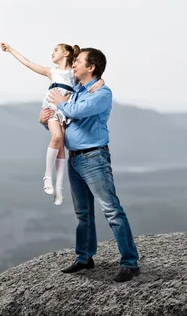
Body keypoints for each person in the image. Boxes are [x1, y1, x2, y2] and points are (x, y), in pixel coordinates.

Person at [40, 47, 140, 282]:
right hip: (75, 157)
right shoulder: (76, 92)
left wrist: (62, 102)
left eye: (78, 62)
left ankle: (130, 262)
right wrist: (46, 121)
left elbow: (78, 111)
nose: (73, 65)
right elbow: (66, 121)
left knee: (112, 211)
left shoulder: (102, 93)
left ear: (91, 67)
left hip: (94, 158)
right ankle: (84, 257)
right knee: (83, 213)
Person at [0, 42, 103, 205]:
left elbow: (92, 78)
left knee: (61, 143)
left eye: (56, 50)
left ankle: (59, 188)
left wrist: (100, 82)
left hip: (64, 108)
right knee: (56, 137)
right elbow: (28, 63)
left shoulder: (74, 74)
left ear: (67, 54)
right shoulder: (52, 72)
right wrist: (11, 50)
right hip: (51, 107)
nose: (52, 53)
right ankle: (47, 177)